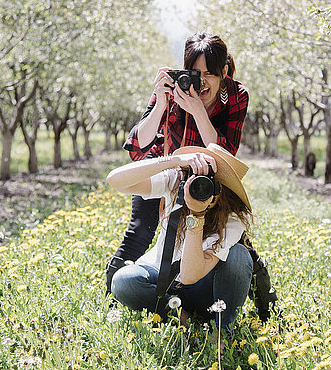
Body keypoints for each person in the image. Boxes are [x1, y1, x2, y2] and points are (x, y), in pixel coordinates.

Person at [105, 32, 249, 294]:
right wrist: (161, 103)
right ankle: (114, 300)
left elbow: (226, 153)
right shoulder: (174, 88)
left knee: (232, 239)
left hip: (212, 168)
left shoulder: (237, 95)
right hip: (166, 165)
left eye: (210, 73)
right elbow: (137, 149)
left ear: (224, 71)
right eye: (195, 73)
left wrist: (198, 111)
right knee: (140, 231)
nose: (201, 82)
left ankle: (250, 297)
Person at [106, 143, 254, 330]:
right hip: (162, 280)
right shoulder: (177, 182)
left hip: (203, 290)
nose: (201, 186)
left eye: (210, 183)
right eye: (198, 178)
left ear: (224, 191)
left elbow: (189, 276)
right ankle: (177, 316)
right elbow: (115, 180)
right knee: (123, 281)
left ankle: (221, 331)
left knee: (239, 255)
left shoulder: (232, 218)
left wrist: (197, 214)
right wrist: (174, 161)